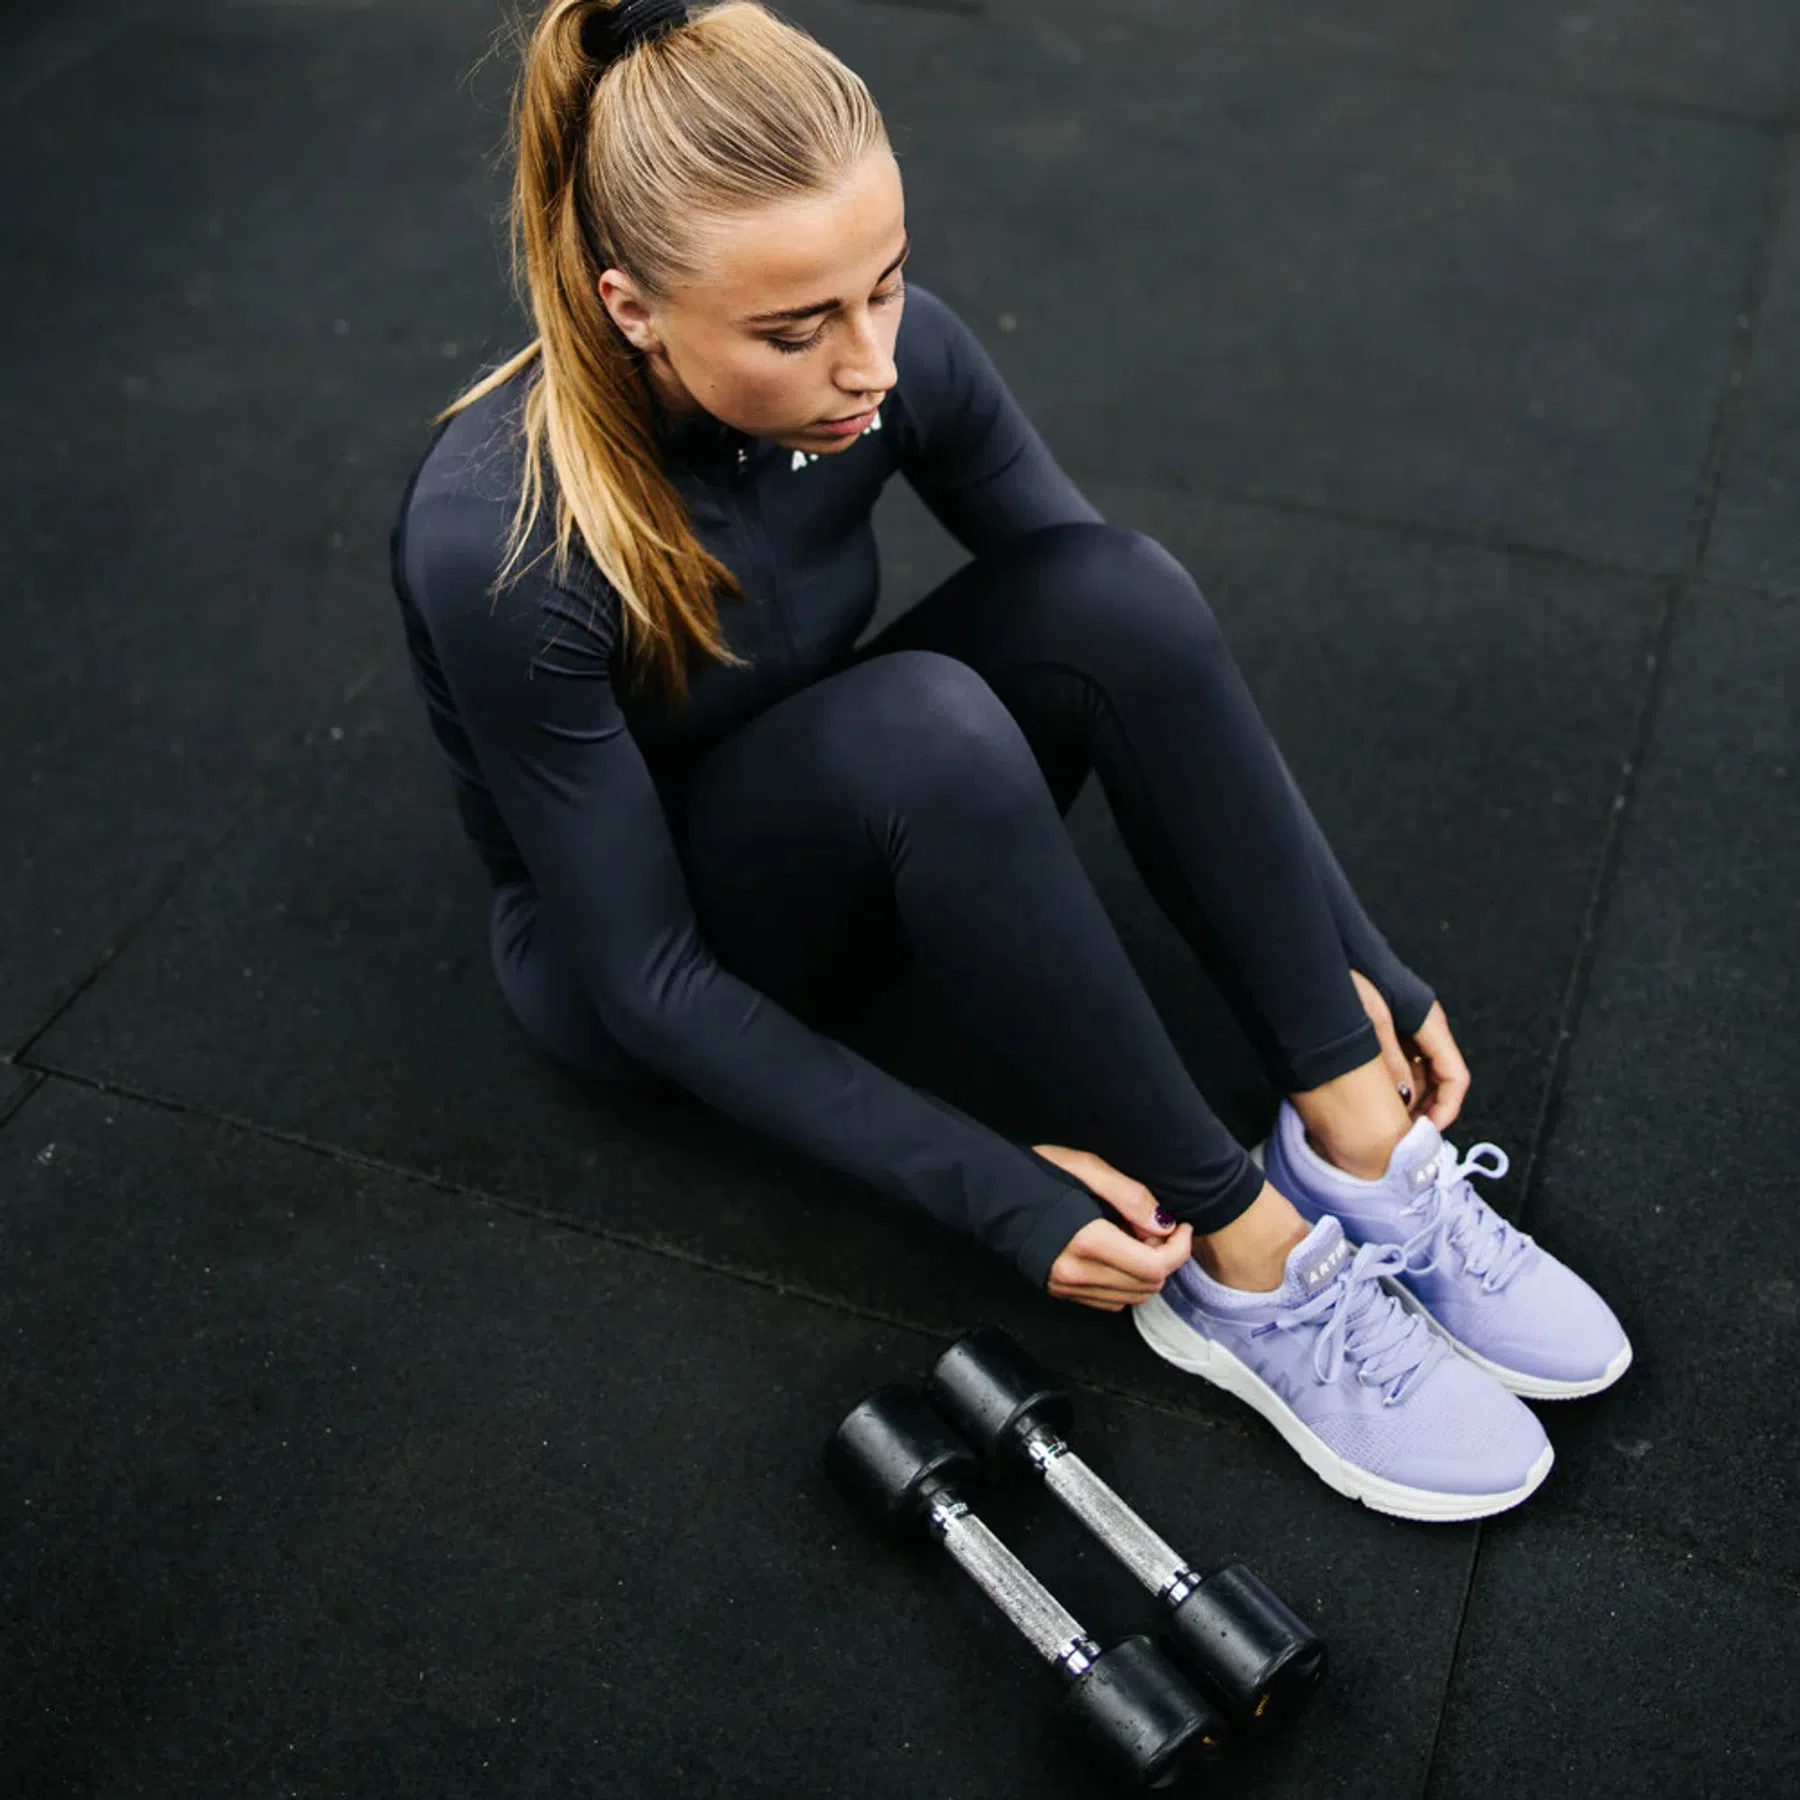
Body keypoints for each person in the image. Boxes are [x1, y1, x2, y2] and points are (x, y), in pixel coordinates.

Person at [388, 0, 1630, 1523]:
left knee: (1117, 584)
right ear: (631, 305)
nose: (867, 365)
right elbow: (643, 982)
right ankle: (1240, 1252)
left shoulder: (895, 356)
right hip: (647, 969)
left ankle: (1361, 1139)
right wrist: (1001, 1190)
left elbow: (1140, 650)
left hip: (855, 818)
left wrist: (1358, 973)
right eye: (796, 330)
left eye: (886, 289)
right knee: (924, 722)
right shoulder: (500, 538)